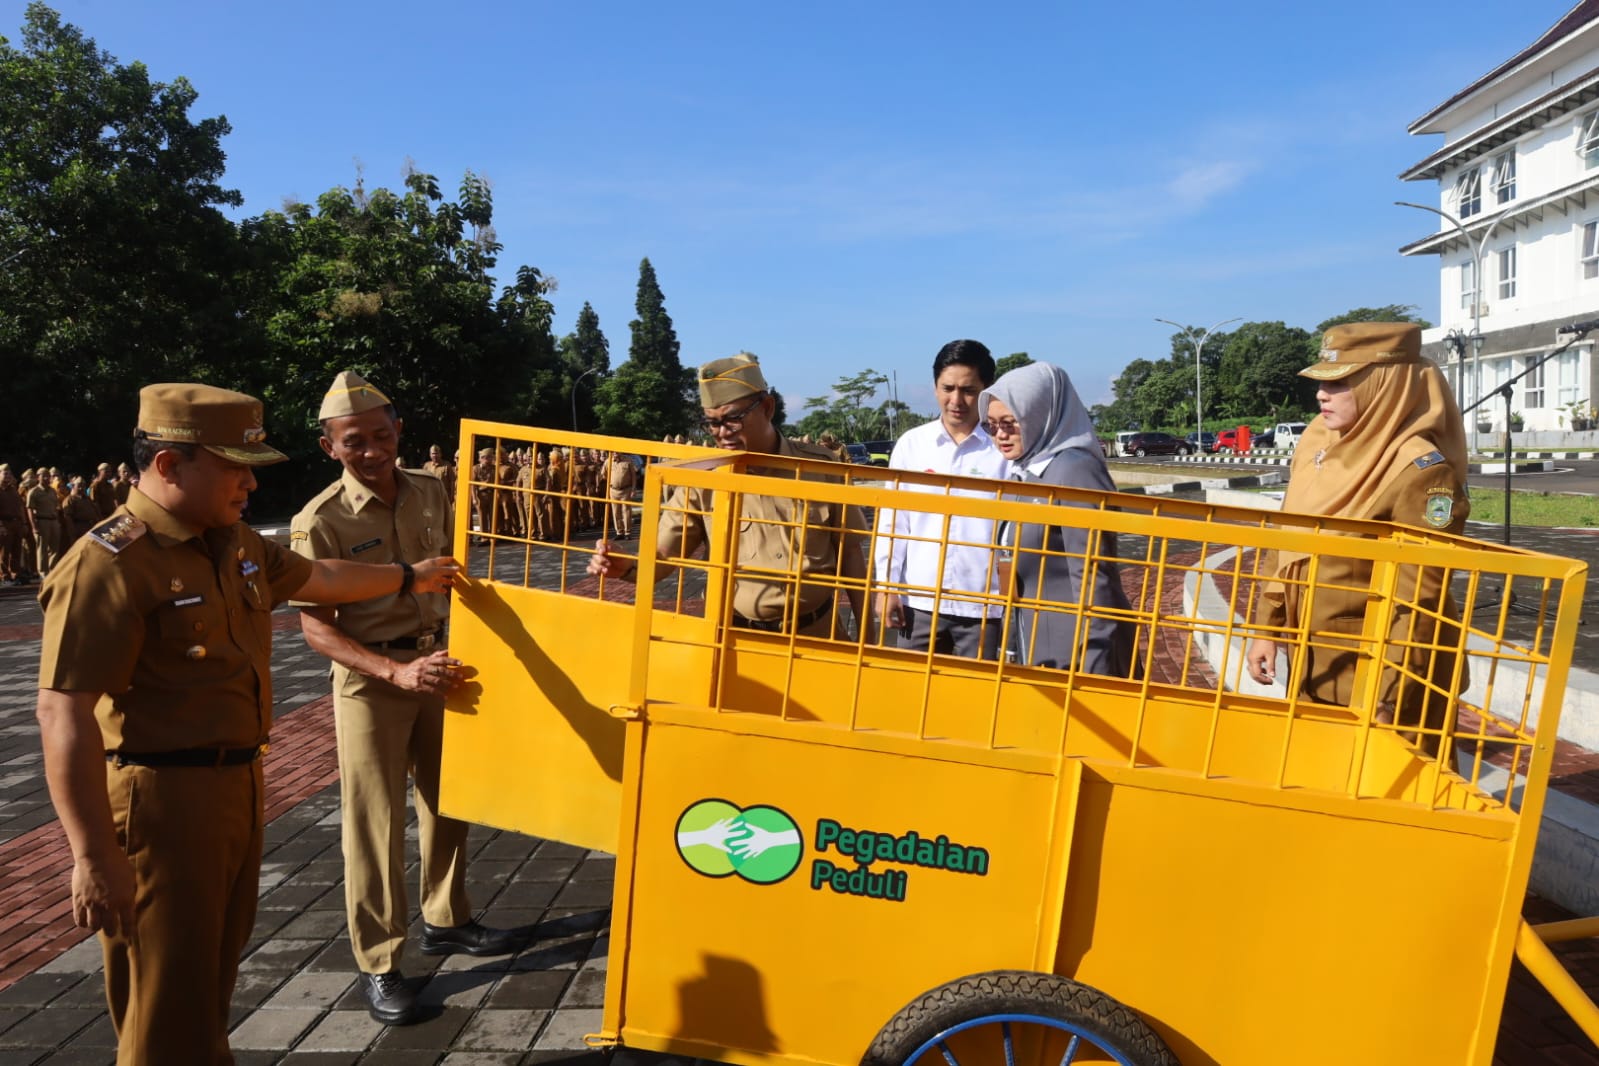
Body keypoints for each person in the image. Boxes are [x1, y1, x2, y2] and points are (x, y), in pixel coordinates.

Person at [35, 382, 462, 1066]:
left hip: (236, 786)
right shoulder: (109, 564)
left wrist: (408, 578)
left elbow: (319, 578)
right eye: (233, 465)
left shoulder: (230, 542)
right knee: (165, 1002)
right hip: (162, 805)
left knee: (208, 989)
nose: (248, 482)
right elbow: (62, 710)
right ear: (170, 465)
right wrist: (91, 855)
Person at [290, 371, 521, 1028]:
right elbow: (314, 626)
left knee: (450, 797)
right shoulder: (320, 520)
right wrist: (392, 675)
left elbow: (454, 571)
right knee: (375, 821)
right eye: (355, 441)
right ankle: (380, 961)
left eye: (382, 436)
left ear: (399, 432)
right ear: (329, 446)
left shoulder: (429, 488)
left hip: (439, 661)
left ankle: (447, 917)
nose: (372, 451)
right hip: (372, 680)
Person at [1245, 323, 1469, 749]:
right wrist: (1266, 629)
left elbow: (1419, 603)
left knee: (1395, 806)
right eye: (1323, 383)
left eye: (1341, 382)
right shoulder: (1320, 446)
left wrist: (1386, 700)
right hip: (1316, 664)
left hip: (1382, 681)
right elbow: (1286, 537)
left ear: (1384, 385)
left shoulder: (1419, 471)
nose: (1321, 394)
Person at [587, 353, 869, 637]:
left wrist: (867, 635)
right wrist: (628, 567)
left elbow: (851, 552)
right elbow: (665, 554)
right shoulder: (703, 480)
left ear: (768, 408)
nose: (722, 433)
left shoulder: (820, 467)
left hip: (819, 635)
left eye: (733, 419)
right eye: (712, 423)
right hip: (735, 641)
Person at [979, 362, 1136, 676]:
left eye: (1010, 422)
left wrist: (1095, 671)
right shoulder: (1027, 472)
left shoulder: (1074, 470)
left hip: (1078, 653)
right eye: (992, 425)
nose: (1000, 435)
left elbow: (1094, 577)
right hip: (1039, 644)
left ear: (1039, 415)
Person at [874, 340, 1010, 658]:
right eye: (947, 388)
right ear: (935, 386)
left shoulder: (1003, 449)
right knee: (914, 695)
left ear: (987, 390)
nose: (956, 400)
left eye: (969, 390)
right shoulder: (912, 445)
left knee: (980, 699)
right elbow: (894, 520)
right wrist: (887, 585)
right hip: (919, 602)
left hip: (985, 605)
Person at [26, 467, 62, 576]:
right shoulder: (34, 492)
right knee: (42, 548)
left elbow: (56, 506)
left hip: (53, 521)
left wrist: (57, 522)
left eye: (48, 475)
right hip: (42, 521)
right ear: (38, 477)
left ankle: (53, 570)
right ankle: (43, 572)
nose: (46, 478)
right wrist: (34, 526)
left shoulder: (52, 491)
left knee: (55, 548)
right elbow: (30, 510)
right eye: (43, 475)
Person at [604, 450, 637, 538]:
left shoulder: (628, 460)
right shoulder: (608, 461)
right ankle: (619, 532)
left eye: (617, 452)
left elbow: (634, 476)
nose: (615, 454)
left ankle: (627, 532)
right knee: (615, 512)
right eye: (613, 452)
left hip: (626, 489)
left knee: (626, 511)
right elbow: (604, 475)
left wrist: (633, 489)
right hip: (613, 490)